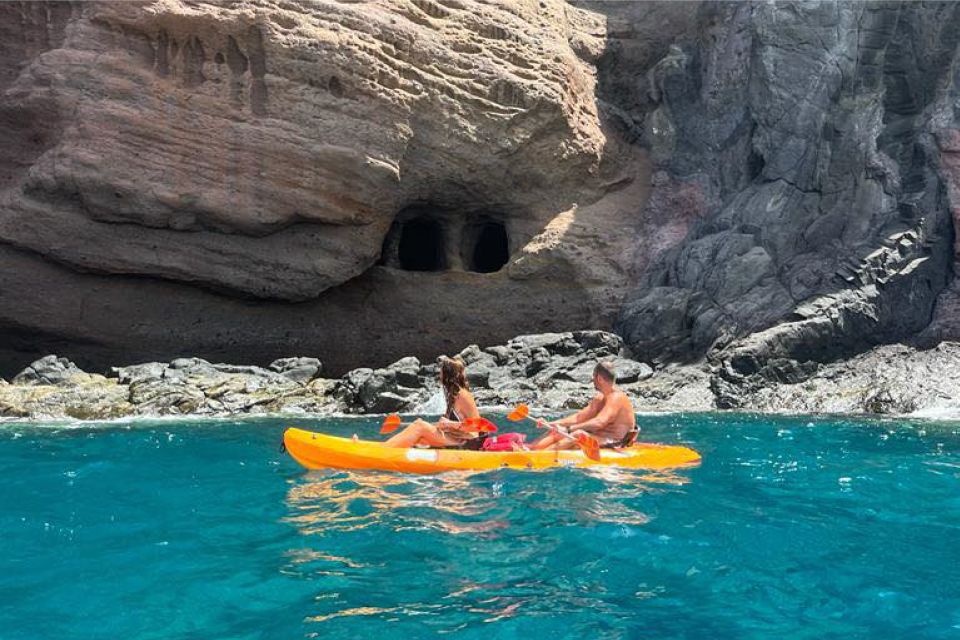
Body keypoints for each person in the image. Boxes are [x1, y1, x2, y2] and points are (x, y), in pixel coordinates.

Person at [382, 356, 486, 449]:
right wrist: (444, 425)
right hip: (455, 437)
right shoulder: (452, 395)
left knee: (420, 426)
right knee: (419, 431)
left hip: (468, 442)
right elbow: (450, 425)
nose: (439, 375)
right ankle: (389, 449)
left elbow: (477, 427)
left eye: (441, 372)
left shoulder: (463, 395)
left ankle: (384, 452)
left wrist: (451, 424)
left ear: (448, 375)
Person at [531, 361, 637, 450]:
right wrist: (553, 424)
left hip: (614, 442)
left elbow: (599, 422)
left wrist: (569, 430)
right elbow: (578, 417)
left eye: (593, 377)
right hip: (598, 438)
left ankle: (539, 456)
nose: (593, 381)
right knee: (557, 431)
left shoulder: (616, 398)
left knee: (578, 434)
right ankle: (529, 449)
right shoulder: (600, 397)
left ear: (599, 378)